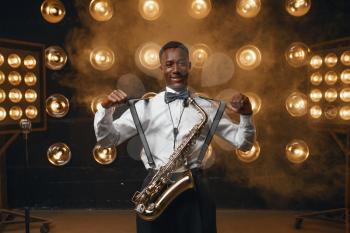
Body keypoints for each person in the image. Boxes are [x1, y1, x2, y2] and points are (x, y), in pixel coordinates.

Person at [94, 41, 256, 233]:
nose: (175, 69)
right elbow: (107, 140)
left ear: (189, 66)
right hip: (155, 188)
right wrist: (105, 109)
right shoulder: (144, 107)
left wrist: (246, 115)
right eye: (169, 64)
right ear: (161, 68)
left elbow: (244, 144)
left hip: (194, 187)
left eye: (181, 63)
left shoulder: (208, 107)